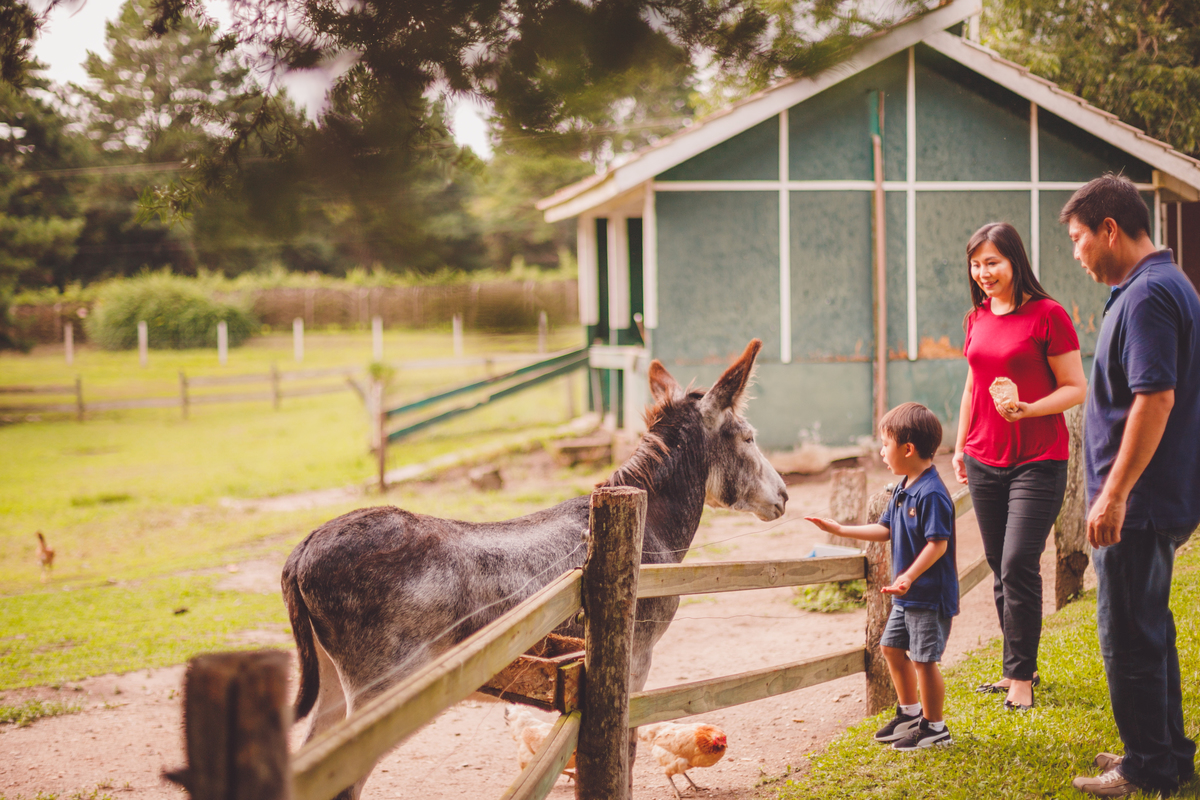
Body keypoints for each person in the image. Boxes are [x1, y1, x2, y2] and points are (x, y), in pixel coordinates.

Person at [1061, 175, 1199, 797]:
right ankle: (1166, 753)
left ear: (1109, 230)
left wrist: (1114, 493)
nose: (1077, 252)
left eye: (1078, 238)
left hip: (1137, 504)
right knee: (1149, 628)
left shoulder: (1148, 295)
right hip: (1148, 498)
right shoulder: (1161, 284)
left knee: (1128, 636)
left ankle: (1146, 769)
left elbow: (1155, 398)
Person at [951, 222, 1087, 710]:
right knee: (999, 565)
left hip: (1038, 459)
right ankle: (1014, 670)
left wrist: (1029, 410)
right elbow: (973, 386)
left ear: (1015, 261)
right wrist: (960, 446)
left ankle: (1023, 678)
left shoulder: (1048, 315)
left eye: (993, 262)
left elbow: (1076, 387)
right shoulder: (976, 317)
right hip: (983, 457)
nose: (983, 272)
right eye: (976, 264)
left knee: (1017, 563)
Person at [806, 402, 958, 751]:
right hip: (907, 593)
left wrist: (908, 576)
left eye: (885, 444)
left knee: (924, 660)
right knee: (890, 648)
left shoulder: (932, 493)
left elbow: (938, 544)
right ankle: (910, 713)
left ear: (908, 449)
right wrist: (841, 529)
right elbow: (884, 529)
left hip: (928, 594)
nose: (881, 452)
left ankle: (935, 727)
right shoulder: (904, 486)